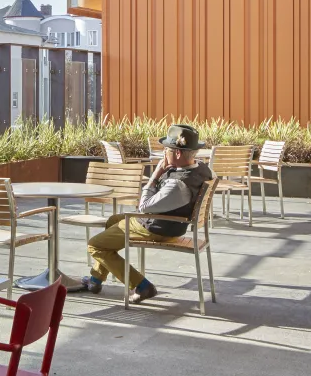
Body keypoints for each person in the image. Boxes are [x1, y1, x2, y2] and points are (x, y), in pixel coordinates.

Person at [80, 124, 212, 303]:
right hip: (174, 224)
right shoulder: (203, 170)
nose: (164, 153)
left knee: (95, 246)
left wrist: (156, 175)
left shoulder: (177, 185)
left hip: (158, 228)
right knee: (113, 221)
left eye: (167, 150)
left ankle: (142, 286)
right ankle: (96, 279)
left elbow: (143, 207)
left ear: (178, 153)